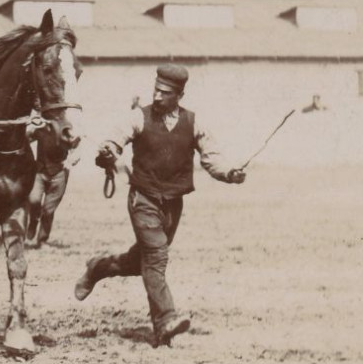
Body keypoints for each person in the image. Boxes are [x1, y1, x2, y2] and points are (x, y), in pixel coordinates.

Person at [74, 63, 247, 346]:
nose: (157, 97)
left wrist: (229, 173)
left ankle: (99, 268)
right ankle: (165, 320)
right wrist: (108, 152)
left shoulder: (195, 123)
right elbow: (115, 139)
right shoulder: (138, 118)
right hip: (142, 199)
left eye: (164, 93)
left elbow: (212, 158)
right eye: (155, 90)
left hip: (173, 204)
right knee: (156, 258)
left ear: (179, 94)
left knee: (140, 261)